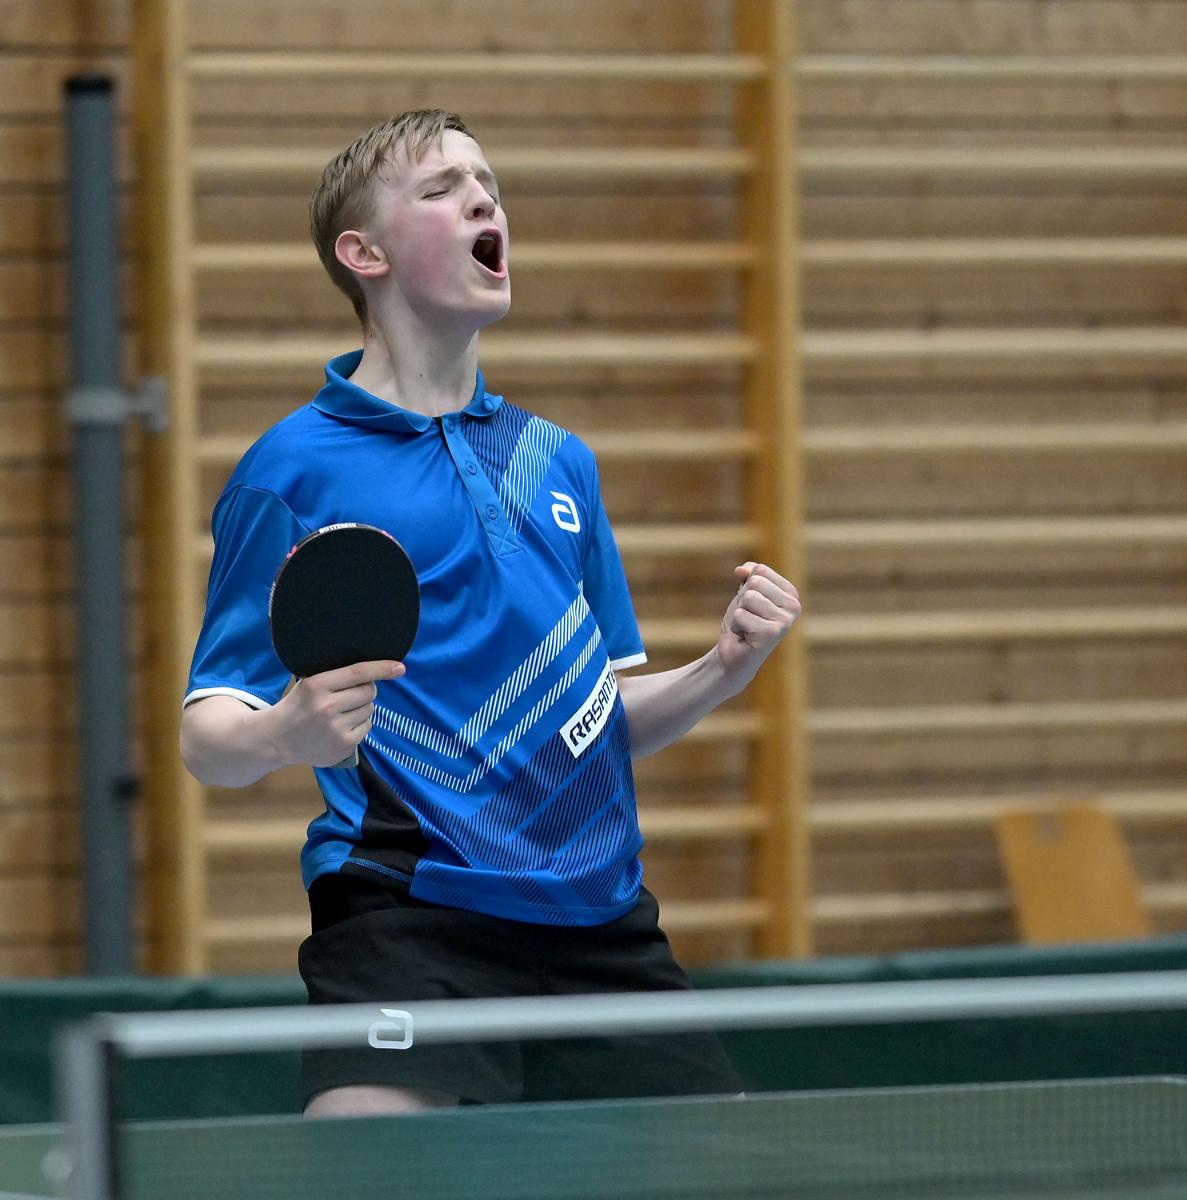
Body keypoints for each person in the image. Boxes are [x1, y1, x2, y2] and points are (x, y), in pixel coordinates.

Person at [179, 110, 802, 1116]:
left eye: (489, 185)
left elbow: (598, 722)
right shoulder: (292, 470)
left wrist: (719, 670)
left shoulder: (558, 462)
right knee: (370, 1165)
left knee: (726, 1173)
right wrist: (284, 731)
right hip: (407, 913)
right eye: (441, 189)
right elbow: (208, 738)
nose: (482, 199)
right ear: (364, 254)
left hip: (597, 922)